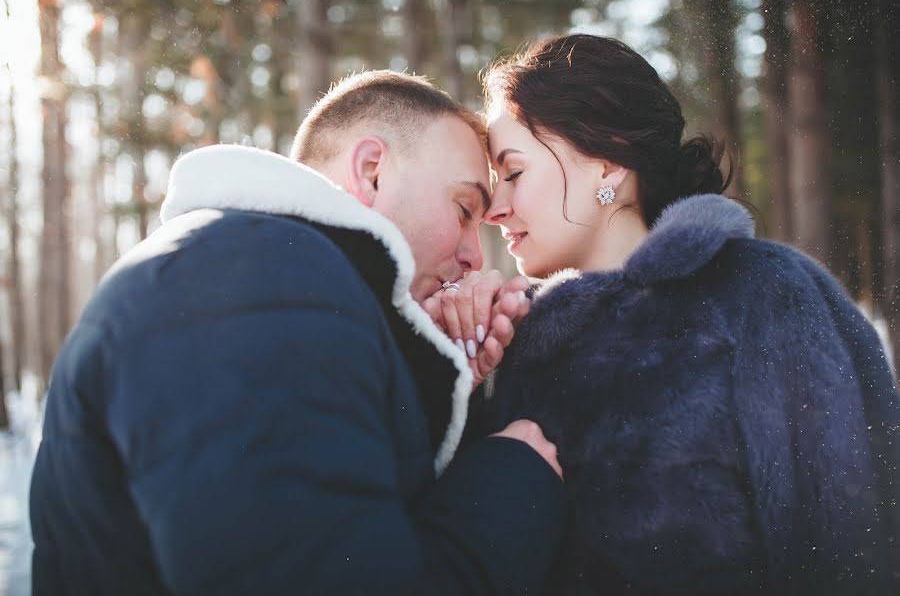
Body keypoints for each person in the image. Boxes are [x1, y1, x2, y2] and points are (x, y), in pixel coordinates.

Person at [29, 70, 567, 595]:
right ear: (373, 170)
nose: (475, 255)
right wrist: (509, 484)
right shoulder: (252, 284)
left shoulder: (264, 276)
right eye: (464, 208)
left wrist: (431, 384)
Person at [428, 34, 900, 594]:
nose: (495, 208)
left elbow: (851, 534)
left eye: (514, 172)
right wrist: (448, 371)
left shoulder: (762, 293)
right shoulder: (512, 338)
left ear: (607, 162)